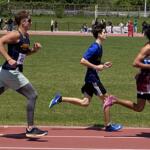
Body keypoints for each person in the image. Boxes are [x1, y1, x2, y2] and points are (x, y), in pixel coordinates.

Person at [49, 23, 122, 132]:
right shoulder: (94, 47)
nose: (106, 33)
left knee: (85, 102)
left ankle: (60, 98)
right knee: (107, 100)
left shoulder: (99, 46)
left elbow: (94, 62)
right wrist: (96, 66)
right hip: (93, 79)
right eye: (104, 32)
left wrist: (103, 64)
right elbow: (82, 60)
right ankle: (108, 125)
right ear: (98, 34)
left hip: (90, 78)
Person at [0, 10, 48, 138]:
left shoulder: (26, 36)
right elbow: (0, 42)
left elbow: (24, 54)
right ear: (23, 22)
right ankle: (30, 129)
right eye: (29, 20)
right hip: (11, 72)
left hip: (5, 73)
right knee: (32, 95)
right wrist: (9, 58)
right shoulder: (15, 34)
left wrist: (34, 50)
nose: (31, 22)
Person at [101, 25, 150, 116]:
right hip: (145, 82)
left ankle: (114, 100)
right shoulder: (147, 48)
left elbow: (145, 61)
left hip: (144, 80)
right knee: (139, 107)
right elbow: (135, 63)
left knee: (139, 107)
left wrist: (140, 72)